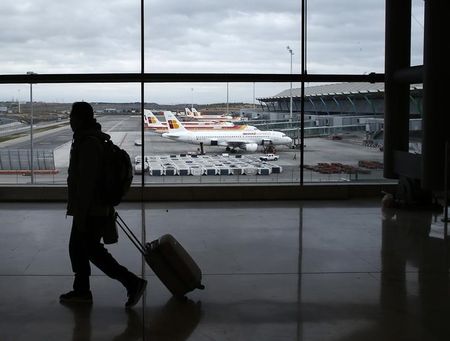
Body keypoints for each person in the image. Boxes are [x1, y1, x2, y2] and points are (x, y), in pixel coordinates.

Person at [60, 102, 147, 308]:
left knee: (91, 251)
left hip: (91, 209)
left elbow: (87, 184)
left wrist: (80, 214)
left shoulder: (89, 143)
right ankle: (82, 291)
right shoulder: (90, 138)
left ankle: (132, 283)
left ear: (80, 119)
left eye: (72, 116)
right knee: (79, 249)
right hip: (93, 207)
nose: (70, 120)